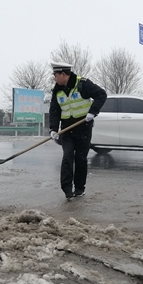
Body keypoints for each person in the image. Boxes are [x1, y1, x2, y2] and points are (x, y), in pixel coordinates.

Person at [49, 62, 107, 200]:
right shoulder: (57, 90)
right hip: (67, 130)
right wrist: (53, 129)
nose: (54, 78)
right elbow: (54, 110)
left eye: (55, 75)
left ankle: (79, 188)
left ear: (63, 74)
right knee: (67, 157)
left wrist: (92, 112)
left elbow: (101, 94)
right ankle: (67, 189)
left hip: (83, 128)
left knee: (80, 159)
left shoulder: (82, 84)